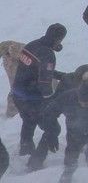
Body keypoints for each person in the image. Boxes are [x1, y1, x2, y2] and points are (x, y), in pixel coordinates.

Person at [12, 24, 66, 159]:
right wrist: (51, 102)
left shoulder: (31, 45)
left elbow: (35, 70)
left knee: (29, 121)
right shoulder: (48, 54)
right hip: (32, 98)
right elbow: (45, 83)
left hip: (18, 94)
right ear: (59, 39)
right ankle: (36, 162)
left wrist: (59, 75)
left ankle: (25, 151)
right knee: (53, 128)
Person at [1, 40, 25, 118]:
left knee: (16, 92)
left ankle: (12, 117)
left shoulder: (15, 48)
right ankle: (11, 117)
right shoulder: (7, 56)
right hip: (14, 69)